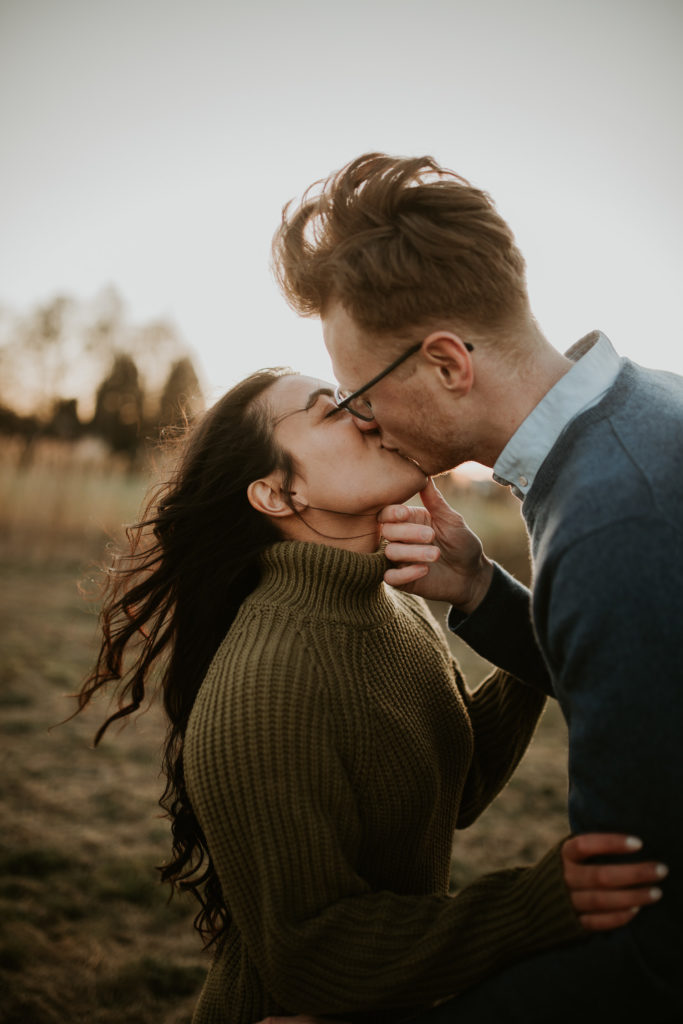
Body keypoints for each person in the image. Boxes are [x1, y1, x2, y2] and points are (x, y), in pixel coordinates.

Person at [77, 368, 661, 1024]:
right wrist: (531, 906)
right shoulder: (266, 688)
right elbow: (312, 952)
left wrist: (521, 609)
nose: (366, 412)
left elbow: (453, 781)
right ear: (277, 493)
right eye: (328, 410)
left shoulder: (389, 603)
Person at [271, 153, 683, 1021]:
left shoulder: (614, 517)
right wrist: (483, 594)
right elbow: (646, 669)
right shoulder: (644, 412)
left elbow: (652, 944)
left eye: (360, 394)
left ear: (447, 363)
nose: (363, 422)